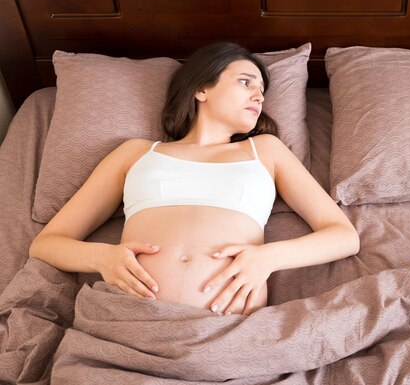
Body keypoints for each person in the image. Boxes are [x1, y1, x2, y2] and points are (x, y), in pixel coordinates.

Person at [29, 42, 360, 315]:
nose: (259, 96)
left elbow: (344, 236)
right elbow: (47, 242)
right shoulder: (136, 153)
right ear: (202, 88)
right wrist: (102, 257)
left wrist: (268, 258)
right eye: (246, 82)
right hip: (131, 319)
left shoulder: (265, 151)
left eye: (262, 90)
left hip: (225, 331)